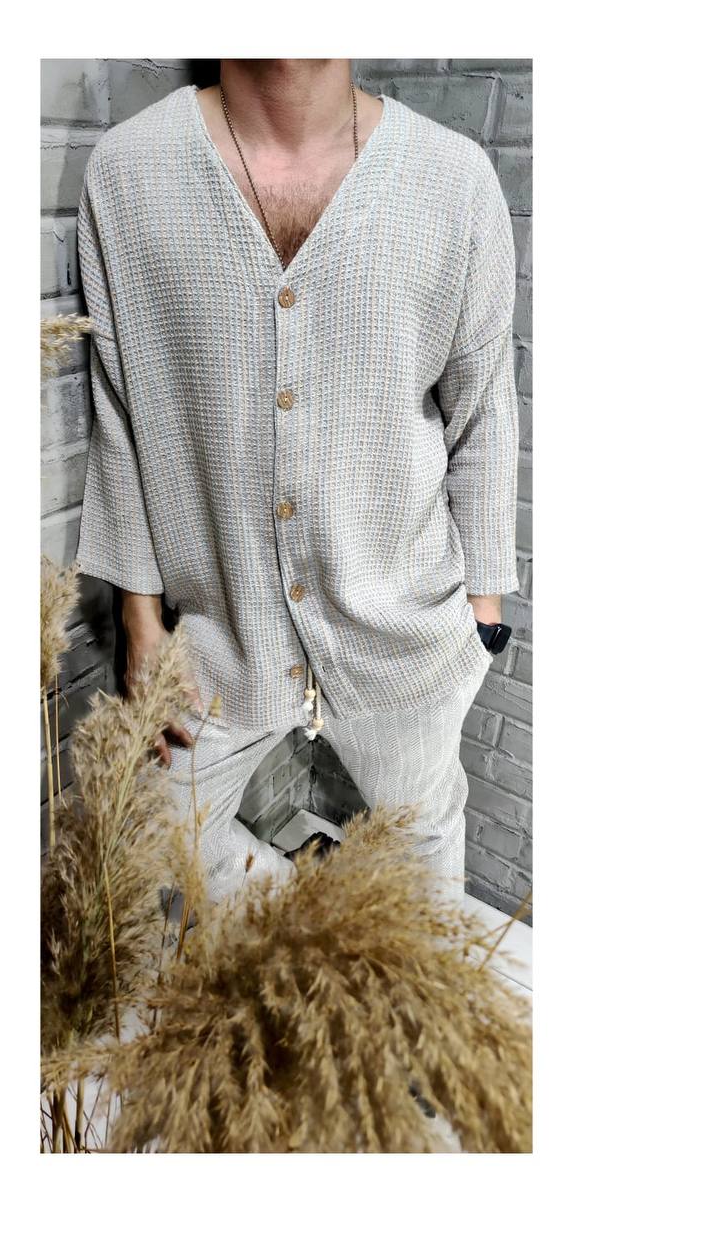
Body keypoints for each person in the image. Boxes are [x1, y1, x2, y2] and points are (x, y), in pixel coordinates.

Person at [74, 58, 518, 905]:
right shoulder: (128, 173)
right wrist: (139, 620)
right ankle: (292, 939)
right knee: (146, 854)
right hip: (214, 640)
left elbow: (484, 410)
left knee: (424, 886)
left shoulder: (453, 180)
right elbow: (120, 411)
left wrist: (482, 617)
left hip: (407, 636)